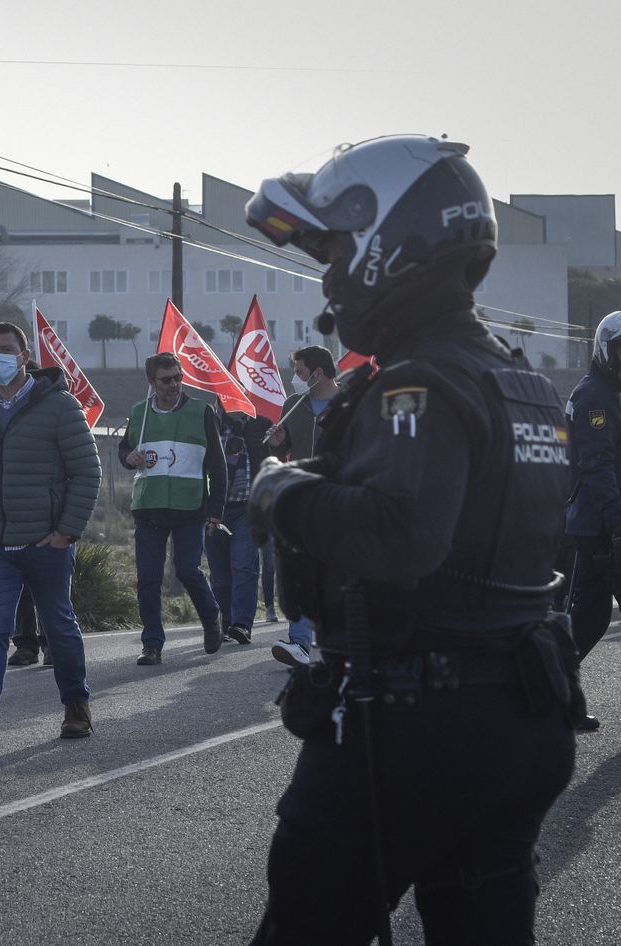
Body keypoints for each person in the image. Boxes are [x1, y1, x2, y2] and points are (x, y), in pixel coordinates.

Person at [244, 135, 577, 945]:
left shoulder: (420, 381)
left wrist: (281, 491)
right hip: (518, 717)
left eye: (335, 251)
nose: (329, 276)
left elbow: (402, 536)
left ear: (388, 246)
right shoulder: (520, 382)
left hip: (413, 725)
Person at [0, 322, 100, 749]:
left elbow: (87, 471)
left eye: (6, 349)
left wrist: (66, 531)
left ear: (25, 355)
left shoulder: (59, 405)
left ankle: (76, 706)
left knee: (58, 625)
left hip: (45, 543)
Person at [117, 353, 227, 665]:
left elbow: (217, 464)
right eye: (166, 380)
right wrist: (129, 458)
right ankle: (152, 644)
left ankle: (211, 617)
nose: (174, 384)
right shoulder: (139, 412)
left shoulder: (201, 411)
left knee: (188, 570)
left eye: (178, 377)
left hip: (189, 506)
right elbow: (125, 450)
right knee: (148, 579)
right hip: (149, 506)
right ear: (151, 382)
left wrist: (216, 511)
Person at [558, 308, 621, 731]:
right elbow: (597, 466)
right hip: (602, 526)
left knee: (590, 617)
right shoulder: (594, 397)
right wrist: (618, 523)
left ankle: (554, 694)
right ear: (604, 350)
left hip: (599, 523)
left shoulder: (609, 392)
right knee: (589, 616)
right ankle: (551, 692)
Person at [264, 345, 340, 666]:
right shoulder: (292, 405)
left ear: (318, 373)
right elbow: (283, 454)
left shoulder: (351, 403)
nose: (295, 378)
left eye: (300, 373)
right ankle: (299, 643)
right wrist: (278, 445)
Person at [205, 409, 271, 645]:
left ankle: (242, 624)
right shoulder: (210, 422)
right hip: (215, 510)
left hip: (247, 508)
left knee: (244, 566)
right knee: (219, 572)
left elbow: (275, 459)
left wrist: (278, 442)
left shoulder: (260, 425)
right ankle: (224, 623)